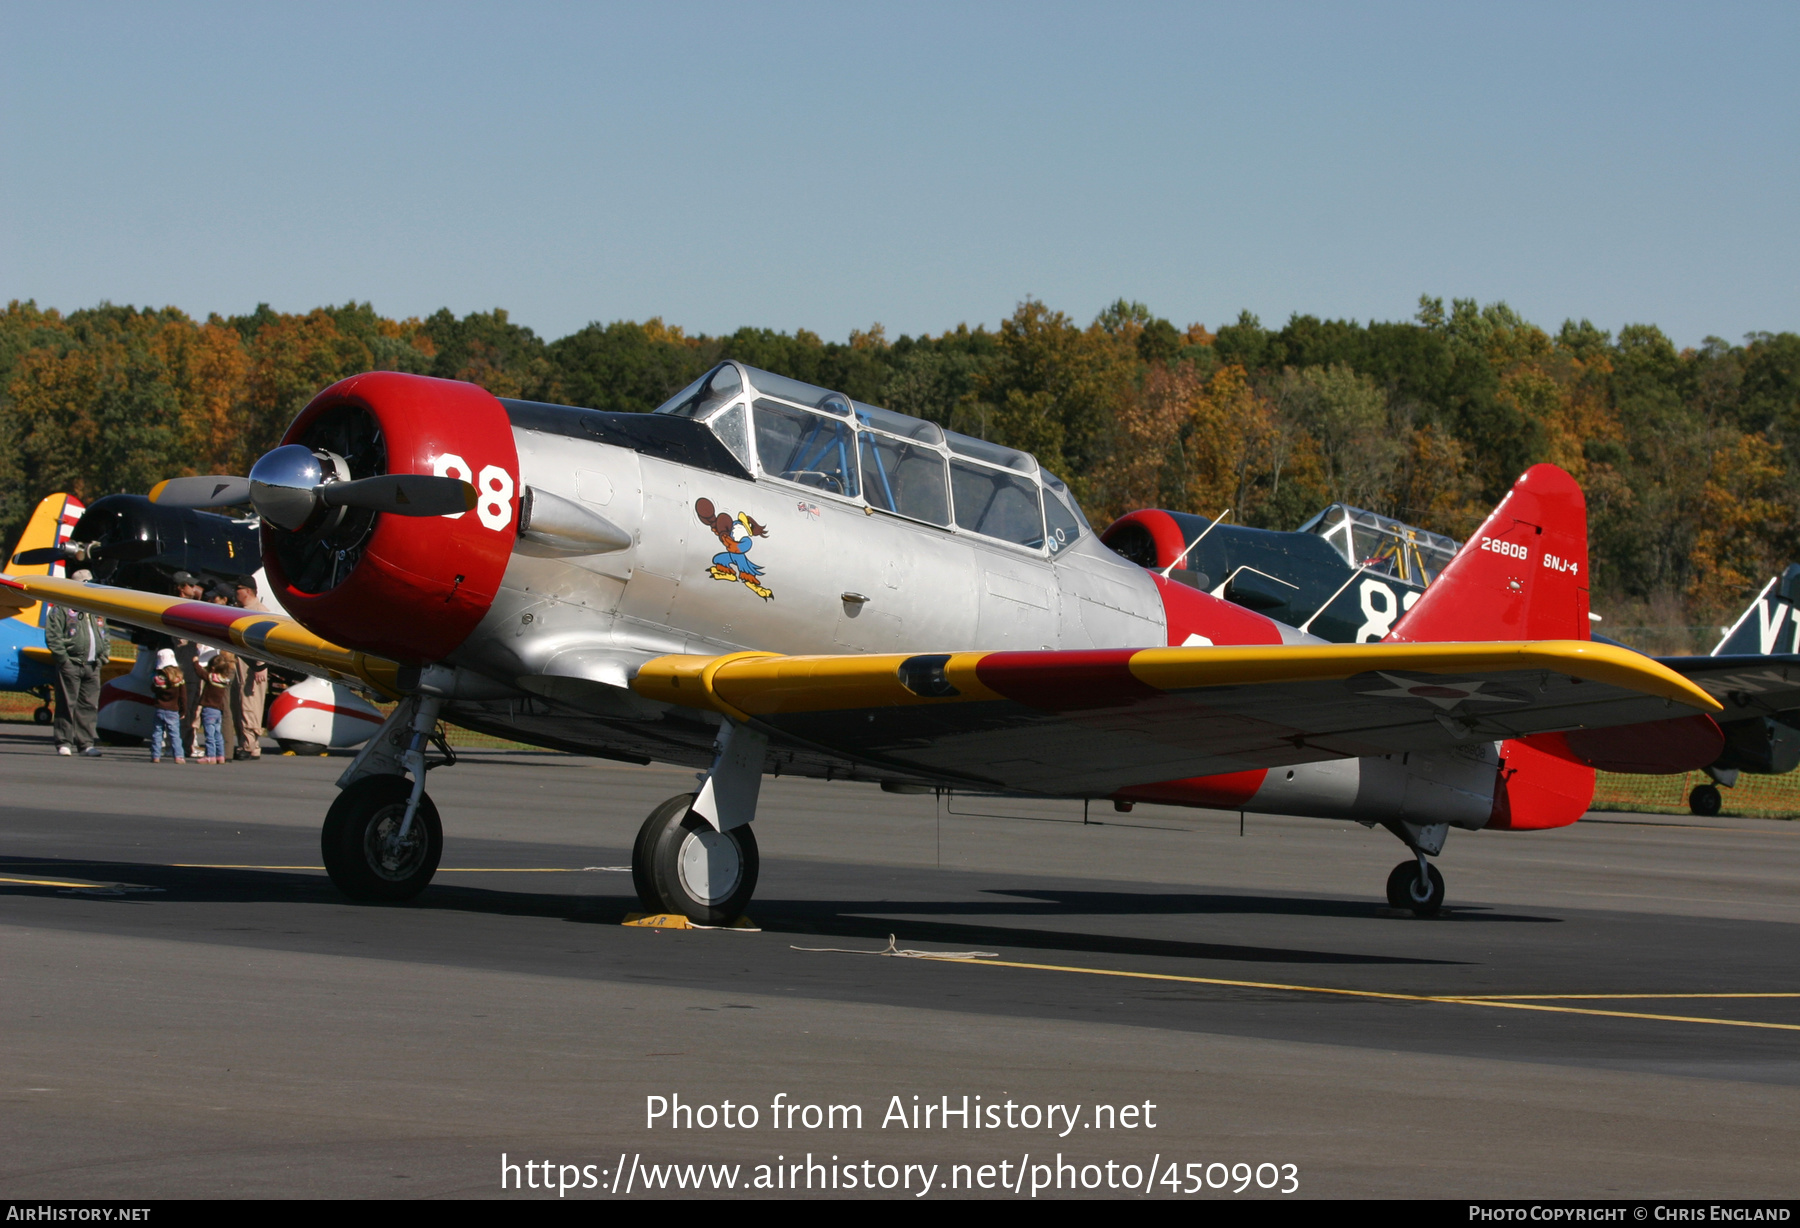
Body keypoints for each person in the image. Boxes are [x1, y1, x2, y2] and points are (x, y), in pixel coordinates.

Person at [45, 568, 106, 757]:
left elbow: (106, 633)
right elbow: (53, 634)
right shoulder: (62, 607)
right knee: (66, 703)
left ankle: (86, 744)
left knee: (89, 705)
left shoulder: (96, 607)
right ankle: (64, 741)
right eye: (89, 582)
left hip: (93, 664)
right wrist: (63, 659)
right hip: (71, 663)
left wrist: (103, 656)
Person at [230, 575, 269, 761]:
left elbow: (266, 642)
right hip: (240, 663)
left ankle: (249, 745)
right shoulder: (239, 610)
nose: (235, 593)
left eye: (237, 589)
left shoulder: (260, 612)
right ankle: (247, 744)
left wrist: (261, 666)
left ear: (247, 590)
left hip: (254, 666)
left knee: (250, 705)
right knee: (238, 704)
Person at [169, 570, 206, 758]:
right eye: (190, 585)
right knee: (183, 705)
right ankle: (180, 745)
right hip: (183, 660)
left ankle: (187, 744)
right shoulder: (176, 607)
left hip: (192, 660)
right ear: (181, 588)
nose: (194, 588)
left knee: (192, 706)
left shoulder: (192, 605)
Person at [149, 648, 187, 764]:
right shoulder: (179, 680)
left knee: (157, 733)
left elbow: (153, 689)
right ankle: (179, 756)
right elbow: (183, 697)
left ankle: (156, 755)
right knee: (174, 734)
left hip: (160, 709)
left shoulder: (157, 680)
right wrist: (183, 711)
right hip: (173, 710)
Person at [197, 649, 233, 764]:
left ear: (212, 668)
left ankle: (210, 756)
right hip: (218, 710)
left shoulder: (211, 678)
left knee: (209, 734)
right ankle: (220, 755)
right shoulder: (224, 681)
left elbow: (200, 673)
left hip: (209, 709)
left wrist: (195, 662)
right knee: (218, 734)